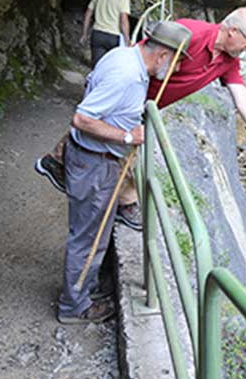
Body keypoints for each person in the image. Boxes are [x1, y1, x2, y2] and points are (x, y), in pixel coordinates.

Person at [35, 7, 246, 230]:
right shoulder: (191, 33)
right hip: (132, 95)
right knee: (118, 139)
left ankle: (59, 162)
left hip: (148, 104)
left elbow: (241, 93)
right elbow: (144, 54)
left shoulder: (228, 60)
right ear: (233, 31)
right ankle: (122, 203)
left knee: (113, 140)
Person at [56, 21, 192, 324]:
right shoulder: (127, 76)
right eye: (179, 60)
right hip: (94, 163)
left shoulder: (124, 55)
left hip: (94, 160)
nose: (179, 68)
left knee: (95, 234)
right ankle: (74, 307)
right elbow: (83, 118)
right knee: (88, 237)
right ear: (163, 55)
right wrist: (128, 137)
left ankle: (84, 290)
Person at [82, 0, 131, 69]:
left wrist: (84, 33)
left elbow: (88, 13)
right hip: (113, 37)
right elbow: (123, 21)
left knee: (96, 67)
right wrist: (127, 39)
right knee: (108, 69)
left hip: (97, 34)